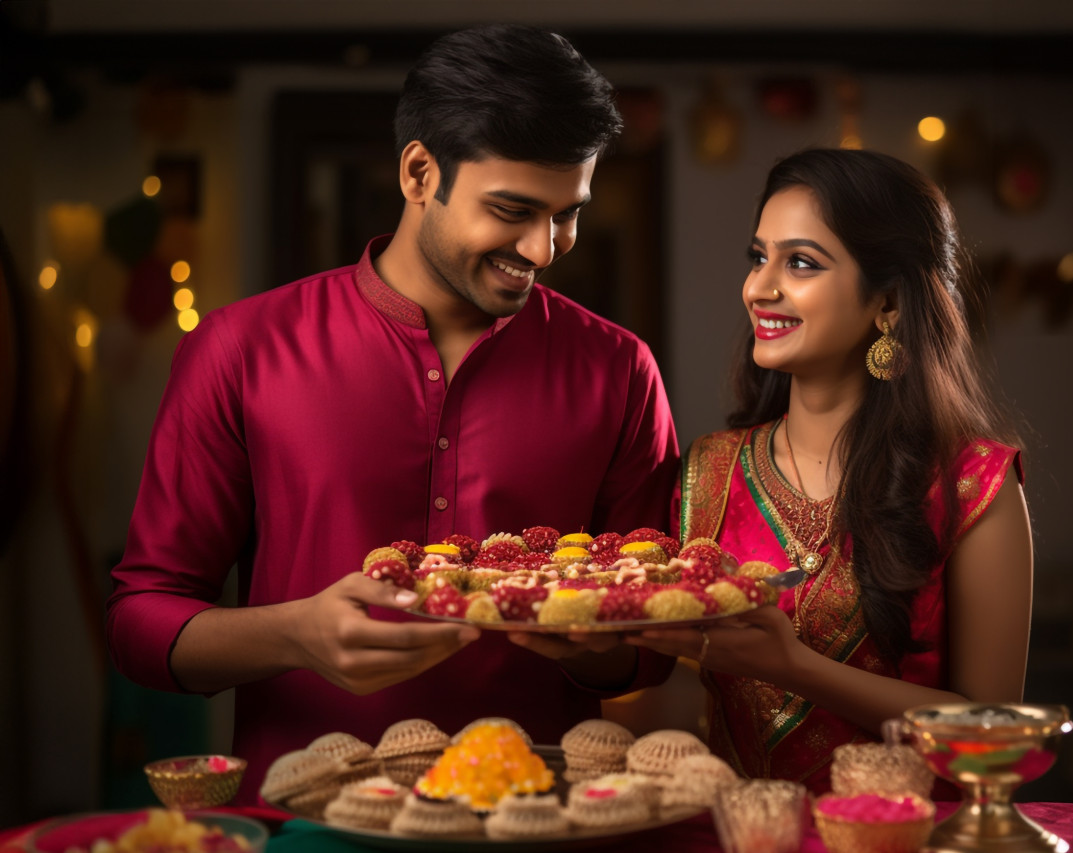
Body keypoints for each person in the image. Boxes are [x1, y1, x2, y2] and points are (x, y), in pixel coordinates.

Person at [106, 24, 680, 802]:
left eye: (566, 213)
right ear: (419, 172)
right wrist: (294, 633)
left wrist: (590, 642)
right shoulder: (240, 349)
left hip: (539, 821)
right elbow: (142, 620)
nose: (544, 248)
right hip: (304, 821)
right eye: (512, 209)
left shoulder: (618, 370)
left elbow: (651, 651)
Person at [628, 148, 1032, 793]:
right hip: (739, 836)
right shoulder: (708, 471)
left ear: (889, 303)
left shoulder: (974, 485)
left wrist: (794, 666)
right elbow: (665, 691)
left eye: (801, 263)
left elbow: (998, 736)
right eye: (759, 257)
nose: (760, 288)